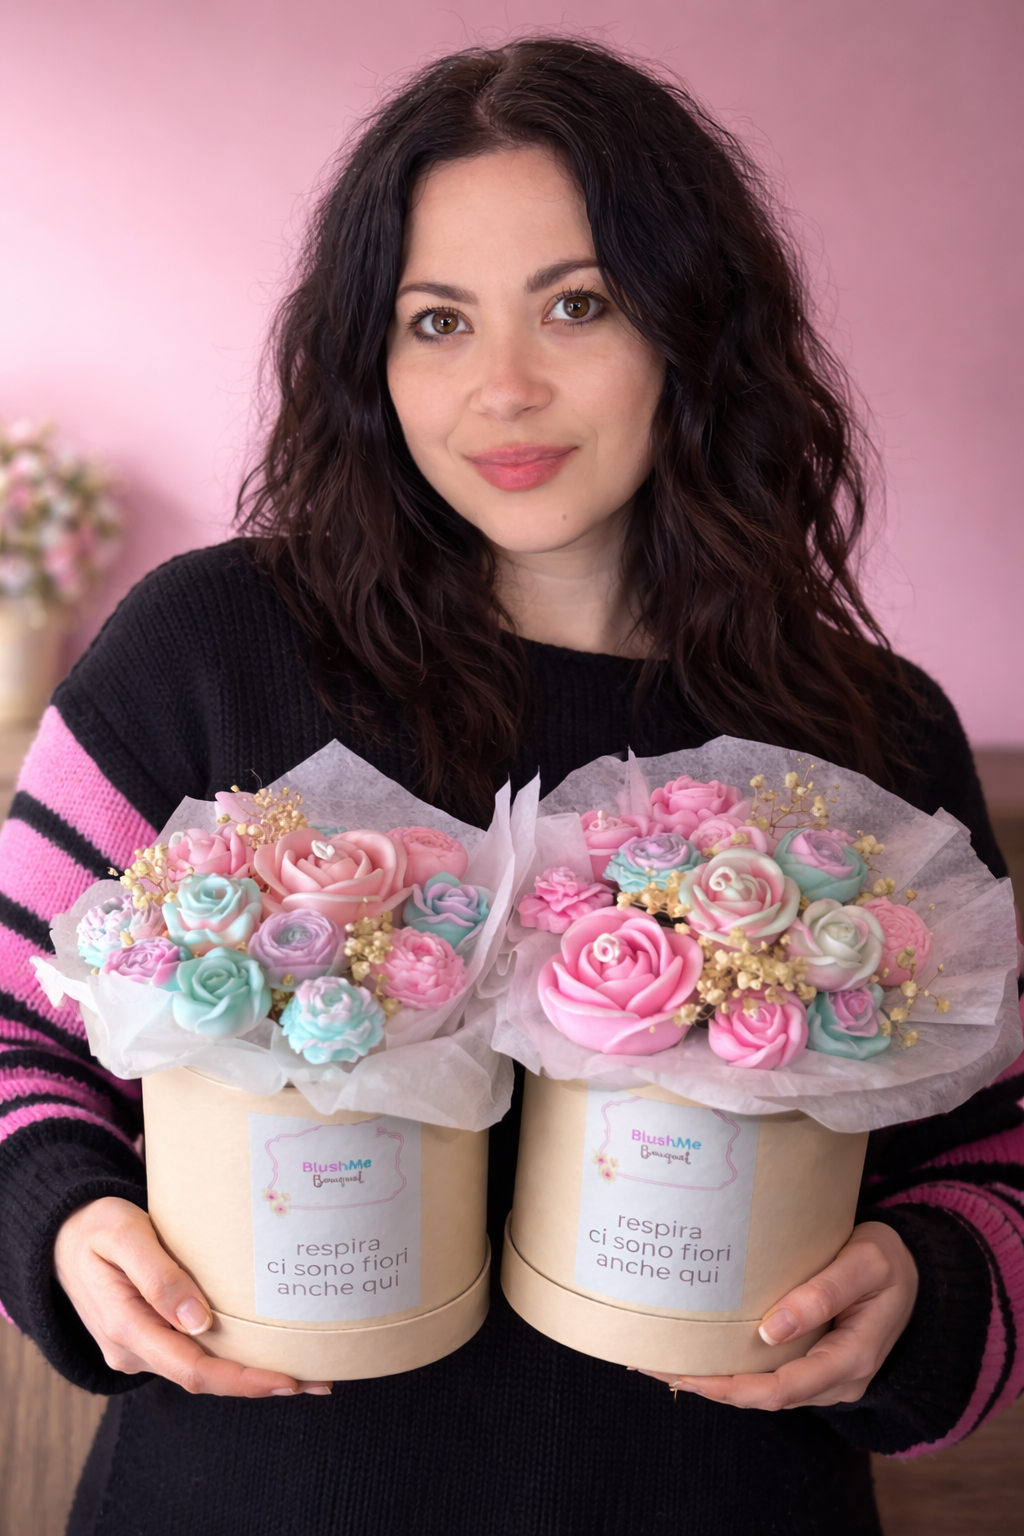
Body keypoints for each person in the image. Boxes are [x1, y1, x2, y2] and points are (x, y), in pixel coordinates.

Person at [0, 38, 1020, 1536]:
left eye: (577, 303)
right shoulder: (204, 652)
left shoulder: (872, 733)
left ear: (696, 325)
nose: (505, 387)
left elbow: (994, 1150)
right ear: (369, 359)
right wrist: (66, 1221)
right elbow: (14, 1025)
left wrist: (928, 1288)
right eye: (436, 320)